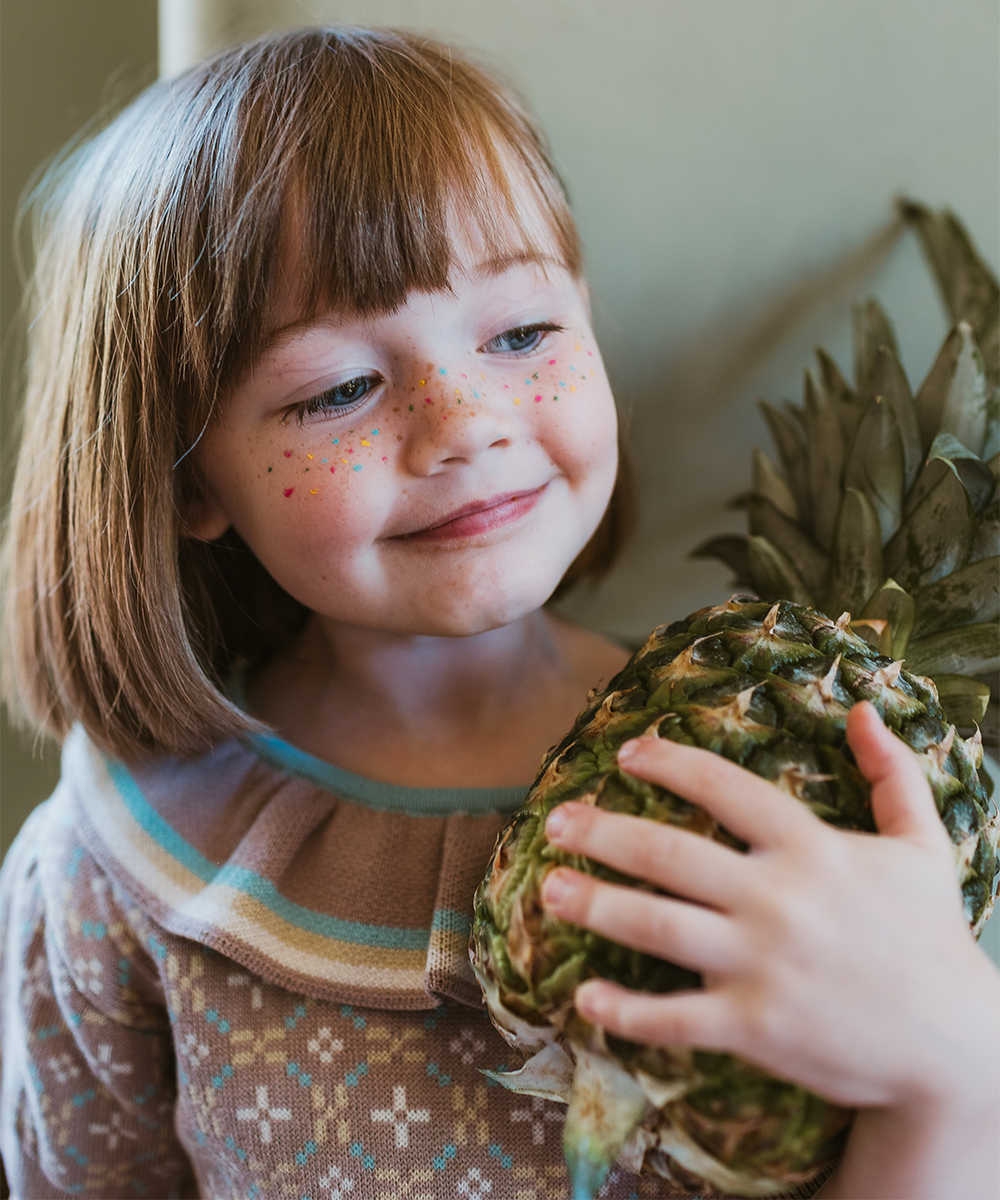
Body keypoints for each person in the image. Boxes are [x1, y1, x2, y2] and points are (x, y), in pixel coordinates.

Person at [0, 26, 995, 1200]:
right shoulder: (113, 867)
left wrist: (958, 1073)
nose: (465, 421)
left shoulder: (800, 777)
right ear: (185, 482)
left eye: (522, 334)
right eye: (337, 388)